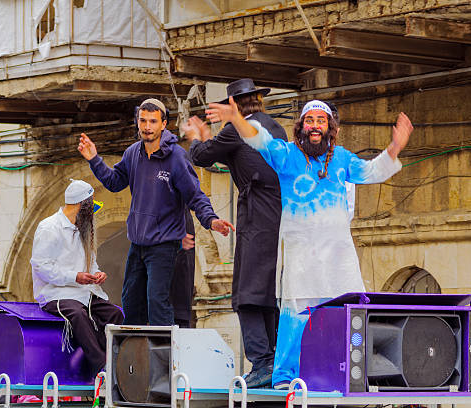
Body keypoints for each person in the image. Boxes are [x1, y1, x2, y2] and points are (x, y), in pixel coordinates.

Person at [202, 97, 413, 389]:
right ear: (301, 126)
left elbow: (371, 171)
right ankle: (285, 379)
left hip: (340, 261)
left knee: (351, 317)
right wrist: (237, 118)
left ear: (330, 127)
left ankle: (356, 375)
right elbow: (260, 140)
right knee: (295, 319)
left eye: (321, 121)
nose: (315, 127)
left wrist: (395, 147)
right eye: (310, 121)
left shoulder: (341, 158)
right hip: (303, 260)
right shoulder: (287, 155)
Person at [77, 98, 234, 326]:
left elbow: (195, 195)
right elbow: (113, 182)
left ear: (164, 124)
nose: (147, 126)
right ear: (137, 122)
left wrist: (211, 220)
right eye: (143, 121)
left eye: (152, 121)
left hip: (164, 245)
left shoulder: (177, 157)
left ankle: (163, 358)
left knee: (157, 302)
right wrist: (94, 159)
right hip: (138, 245)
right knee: (131, 301)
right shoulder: (132, 153)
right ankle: (135, 357)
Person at [184, 78, 286, 388]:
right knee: (266, 292)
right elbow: (230, 154)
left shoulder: (236, 129)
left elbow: (201, 156)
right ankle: (273, 361)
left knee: (245, 295)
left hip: (257, 211)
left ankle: (262, 362)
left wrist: (197, 137)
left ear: (234, 106)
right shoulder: (275, 126)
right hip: (278, 211)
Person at [30, 179, 124, 377]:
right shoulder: (49, 228)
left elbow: (90, 263)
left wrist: (97, 274)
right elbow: (41, 266)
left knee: (115, 315)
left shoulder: (83, 230)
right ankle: (102, 366)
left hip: (83, 292)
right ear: (82, 205)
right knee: (79, 315)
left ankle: (118, 362)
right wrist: (75, 277)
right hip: (55, 293)